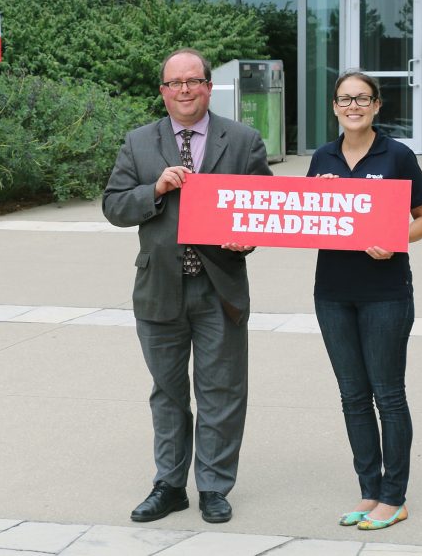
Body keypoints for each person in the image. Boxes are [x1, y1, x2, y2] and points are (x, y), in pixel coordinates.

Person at [102, 48, 272, 525]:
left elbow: (265, 208)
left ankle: (215, 487)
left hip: (219, 288)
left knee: (222, 391)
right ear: (162, 90)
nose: (184, 91)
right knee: (168, 392)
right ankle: (170, 486)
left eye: (193, 81)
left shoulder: (242, 140)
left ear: (208, 86)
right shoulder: (139, 143)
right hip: (159, 289)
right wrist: (154, 190)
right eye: (174, 83)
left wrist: (248, 239)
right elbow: (114, 206)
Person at [307, 70, 422, 532]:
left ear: (378, 105)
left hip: (385, 294)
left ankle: (394, 496)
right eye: (345, 99)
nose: (354, 106)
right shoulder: (322, 157)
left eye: (363, 98)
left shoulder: (397, 155)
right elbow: (306, 219)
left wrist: (396, 237)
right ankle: (369, 490)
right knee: (353, 396)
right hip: (333, 294)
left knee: (388, 394)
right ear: (335, 107)